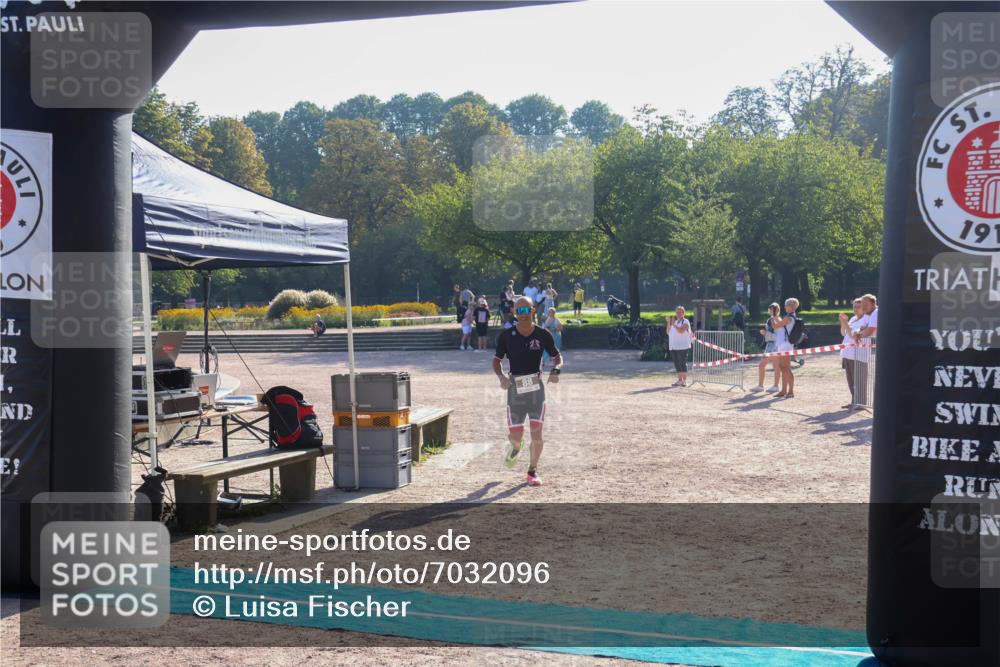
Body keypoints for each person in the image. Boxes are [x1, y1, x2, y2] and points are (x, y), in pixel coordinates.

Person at [493, 296, 562, 487]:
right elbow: (496, 361)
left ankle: (532, 471)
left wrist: (556, 370)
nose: (522, 315)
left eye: (526, 311)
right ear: (514, 313)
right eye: (518, 311)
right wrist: (502, 378)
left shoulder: (543, 334)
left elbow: (558, 357)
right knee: (516, 437)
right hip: (515, 390)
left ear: (533, 311)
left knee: (537, 434)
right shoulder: (506, 336)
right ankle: (516, 446)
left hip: (535, 391)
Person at [839, 298, 867, 409]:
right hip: (847, 353)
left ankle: (861, 403)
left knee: (859, 379)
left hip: (859, 354)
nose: (855, 309)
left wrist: (846, 323)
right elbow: (843, 333)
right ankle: (854, 401)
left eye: (858, 306)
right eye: (854, 306)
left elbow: (853, 336)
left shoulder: (866, 320)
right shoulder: (853, 319)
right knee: (850, 379)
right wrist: (843, 323)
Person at [771, 297, 800, 398]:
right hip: (783, 344)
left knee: (786, 368)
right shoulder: (789, 317)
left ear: (791, 306)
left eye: (786, 305)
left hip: (785, 345)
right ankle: (784, 390)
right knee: (783, 368)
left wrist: (773, 316)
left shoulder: (789, 318)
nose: (784, 307)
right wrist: (775, 316)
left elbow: (775, 326)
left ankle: (790, 391)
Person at [752, 303, 781, 392]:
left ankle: (762, 386)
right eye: (770, 309)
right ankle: (773, 386)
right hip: (771, 344)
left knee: (762, 365)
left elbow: (777, 335)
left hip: (774, 345)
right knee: (775, 366)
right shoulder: (772, 319)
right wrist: (765, 333)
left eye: (772, 309)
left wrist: (765, 333)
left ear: (776, 310)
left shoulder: (776, 319)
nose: (770, 311)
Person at [666, 306, 692, 387]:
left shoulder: (686, 321)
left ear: (683, 313)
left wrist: (674, 325)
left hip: (683, 346)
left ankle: (685, 380)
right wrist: (669, 322)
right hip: (674, 346)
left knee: (682, 363)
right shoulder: (675, 322)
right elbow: (668, 332)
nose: (678, 314)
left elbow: (681, 331)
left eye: (680, 312)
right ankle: (680, 380)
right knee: (677, 363)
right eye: (677, 312)